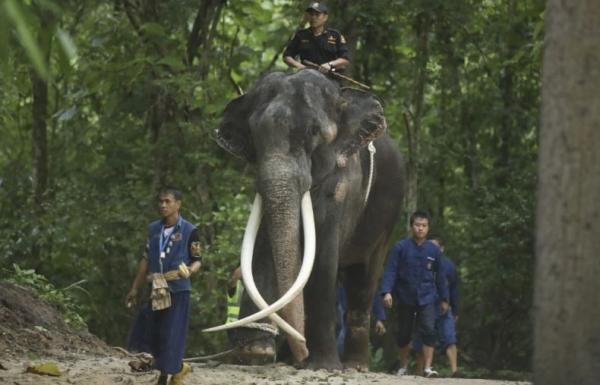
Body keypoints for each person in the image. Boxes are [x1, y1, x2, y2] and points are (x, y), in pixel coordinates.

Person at [126, 187, 202, 385]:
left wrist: (191, 270)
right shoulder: (153, 230)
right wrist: (135, 288)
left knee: (171, 333)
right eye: (161, 201)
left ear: (178, 204)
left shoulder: (190, 230)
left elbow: (197, 260)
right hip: (157, 288)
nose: (163, 205)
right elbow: (145, 260)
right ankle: (176, 368)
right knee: (148, 325)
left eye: (168, 201)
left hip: (178, 289)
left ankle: (165, 375)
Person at [379, 211, 449, 378]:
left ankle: (428, 368)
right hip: (405, 295)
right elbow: (390, 270)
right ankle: (403, 366)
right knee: (404, 332)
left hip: (427, 296)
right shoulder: (400, 247)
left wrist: (444, 299)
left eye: (424, 226)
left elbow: (440, 276)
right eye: (417, 225)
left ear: (428, 228)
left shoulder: (434, 250)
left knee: (429, 330)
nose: (420, 229)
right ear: (412, 227)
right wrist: (386, 291)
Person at [411, 236, 460, 377]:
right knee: (421, 337)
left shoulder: (449, 265)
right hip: (424, 305)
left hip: (443, 306)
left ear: (442, 249)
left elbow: (454, 288)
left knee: (449, 337)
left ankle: (454, 370)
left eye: (435, 247)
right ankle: (421, 370)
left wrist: (455, 309)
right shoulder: (421, 261)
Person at [283, 2, 350, 74]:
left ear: (325, 17)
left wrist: (329, 64)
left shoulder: (335, 35)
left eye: (317, 15)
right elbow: (287, 56)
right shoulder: (301, 35)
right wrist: (299, 65)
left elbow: (345, 59)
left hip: (330, 77)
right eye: (311, 14)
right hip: (306, 75)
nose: (313, 17)